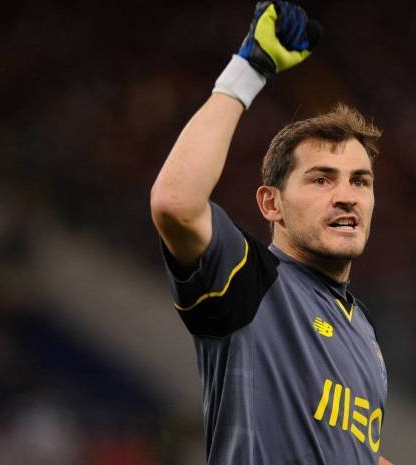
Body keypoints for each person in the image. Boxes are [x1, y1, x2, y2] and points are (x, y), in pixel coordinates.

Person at [150, 2, 392, 464]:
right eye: (322, 179)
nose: (347, 196)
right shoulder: (250, 279)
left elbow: (356, 454)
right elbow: (174, 203)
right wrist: (248, 71)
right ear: (271, 204)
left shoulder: (362, 327)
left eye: (360, 181)